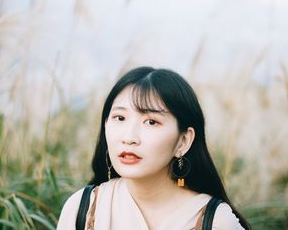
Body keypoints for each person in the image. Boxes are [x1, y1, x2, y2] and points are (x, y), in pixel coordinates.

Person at [57, 66, 250, 230]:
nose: (129, 137)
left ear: (183, 141)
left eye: (151, 122)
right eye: (120, 118)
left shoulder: (214, 220)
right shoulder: (83, 209)